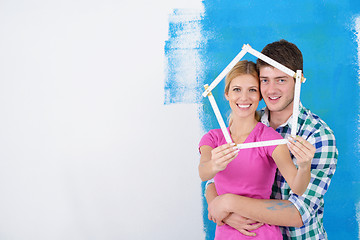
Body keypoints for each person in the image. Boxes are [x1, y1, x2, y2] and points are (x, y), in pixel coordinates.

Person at [205, 40, 338, 239]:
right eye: (265, 80)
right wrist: (224, 213)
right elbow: (214, 179)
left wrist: (228, 204)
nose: (271, 90)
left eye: (281, 80)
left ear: (298, 80)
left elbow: (298, 212)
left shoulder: (318, 135)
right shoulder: (247, 121)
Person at [199, 60, 312, 239]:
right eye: (237, 89)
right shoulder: (213, 138)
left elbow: (297, 187)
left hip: (262, 232)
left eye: (252, 90)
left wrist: (305, 166)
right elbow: (204, 173)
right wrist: (214, 164)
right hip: (225, 233)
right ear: (226, 94)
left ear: (260, 96)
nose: (244, 98)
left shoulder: (269, 138)